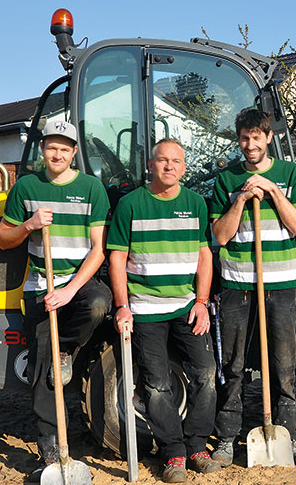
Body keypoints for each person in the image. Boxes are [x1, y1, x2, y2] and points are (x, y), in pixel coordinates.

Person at [0, 120, 112, 482]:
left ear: (74, 152)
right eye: (51, 147)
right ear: (42, 149)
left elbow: (98, 249)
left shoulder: (92, 188)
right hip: (39, 286)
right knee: (44, 373)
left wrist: (71, 289)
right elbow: (2, 238)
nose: (57, 154)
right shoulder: (26, 187)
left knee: (97, 305)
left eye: (65, 148)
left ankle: (66, 350)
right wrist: (28, 226)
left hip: (78, 283)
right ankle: (50, 446)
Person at [107, 138, 219, 483]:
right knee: (156, 386)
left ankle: (198, 445)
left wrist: (201, 302)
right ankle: (173, 454)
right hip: (145, 310)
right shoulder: (131, 204)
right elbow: (116, 257)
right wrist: (123, 306)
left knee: (206, 375)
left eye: (176, 161)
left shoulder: (197, 203)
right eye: (162, 160)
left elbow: (204, 256)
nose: (169, 166)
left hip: (186, 307)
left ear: (184, 167)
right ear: (151, 165)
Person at [211, 109, 296, 466]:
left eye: (257, 137)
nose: (250, 145)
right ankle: (226, 438)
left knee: (284, 366)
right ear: (238, 140)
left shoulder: (289, 174)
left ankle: (289, 436)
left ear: (269, 137)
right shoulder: (226, 179)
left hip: (280, 283)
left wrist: (271, 191)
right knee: (234, 364)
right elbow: (220, 236)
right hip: (238, 284)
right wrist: (239, 199)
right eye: (244, 138)